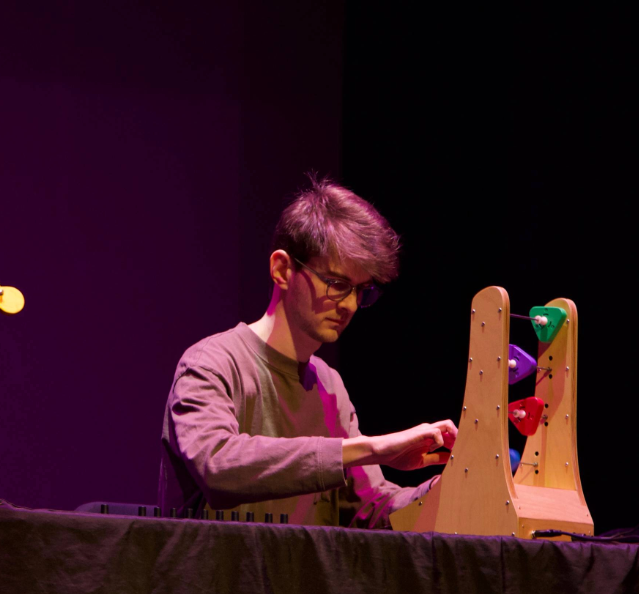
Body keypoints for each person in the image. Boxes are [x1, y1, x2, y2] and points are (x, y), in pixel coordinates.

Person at [158, 178, 457, 528]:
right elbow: (218, 465)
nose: (349, 305)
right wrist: (373, 448)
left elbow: (371, 509)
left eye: (361, 291)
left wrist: (448, 488)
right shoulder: (212, 362)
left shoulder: (331, 386)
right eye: (337, 284)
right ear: (283, 269)